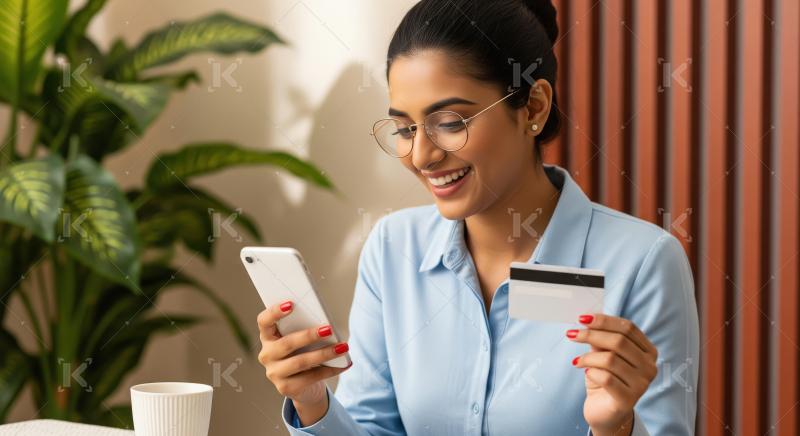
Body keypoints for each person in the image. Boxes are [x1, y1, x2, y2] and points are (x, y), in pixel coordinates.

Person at [257, 0, 699, 434]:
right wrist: (312, 403)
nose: (422, 155)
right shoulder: (394, 247)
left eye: (449, 121)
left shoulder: (642, 263)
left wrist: (616, 427)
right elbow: (375, 428)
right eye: (405, 129)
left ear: (534, 107)